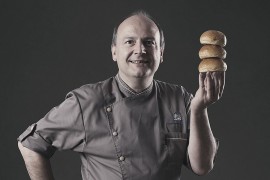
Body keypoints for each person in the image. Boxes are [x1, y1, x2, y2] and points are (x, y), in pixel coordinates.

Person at [18, 10, 225, 180]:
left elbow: (202, 166)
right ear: (114, 51)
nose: (140, 50)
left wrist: (199, 108)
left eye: (149, 42)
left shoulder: (180, 98)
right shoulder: (88, 101)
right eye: (129, 42)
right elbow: (31, 144)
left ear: (161, 53)